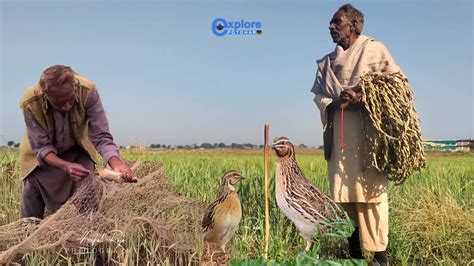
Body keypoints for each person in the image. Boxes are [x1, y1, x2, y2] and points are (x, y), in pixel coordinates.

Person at [311, 4, 406, 265]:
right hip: (338, 135)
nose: (330, 26)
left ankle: (379, 256)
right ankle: (356, 243)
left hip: (368, 137)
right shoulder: (327, 63)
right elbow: (318, 96)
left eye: (336, 22)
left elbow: (398, 85)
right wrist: (333, 103)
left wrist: (363, 97)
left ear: (352, 26)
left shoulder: (373, 50)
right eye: (330, 22)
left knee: (372, 194)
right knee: (343, 192)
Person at [19, 65, 137, 219]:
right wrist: (65, 166)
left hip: (77, 151)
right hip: (43, 159)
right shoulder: (31, 101)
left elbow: (101, 136)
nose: (67, 106)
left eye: (70, 100)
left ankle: (89, 233)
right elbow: (42, 148)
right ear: (47, 95)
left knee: (88, 194)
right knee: (31, 197)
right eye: (59, 103)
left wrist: (118, 165)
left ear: (74, 87)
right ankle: (28, 238)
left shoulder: (88, 91)